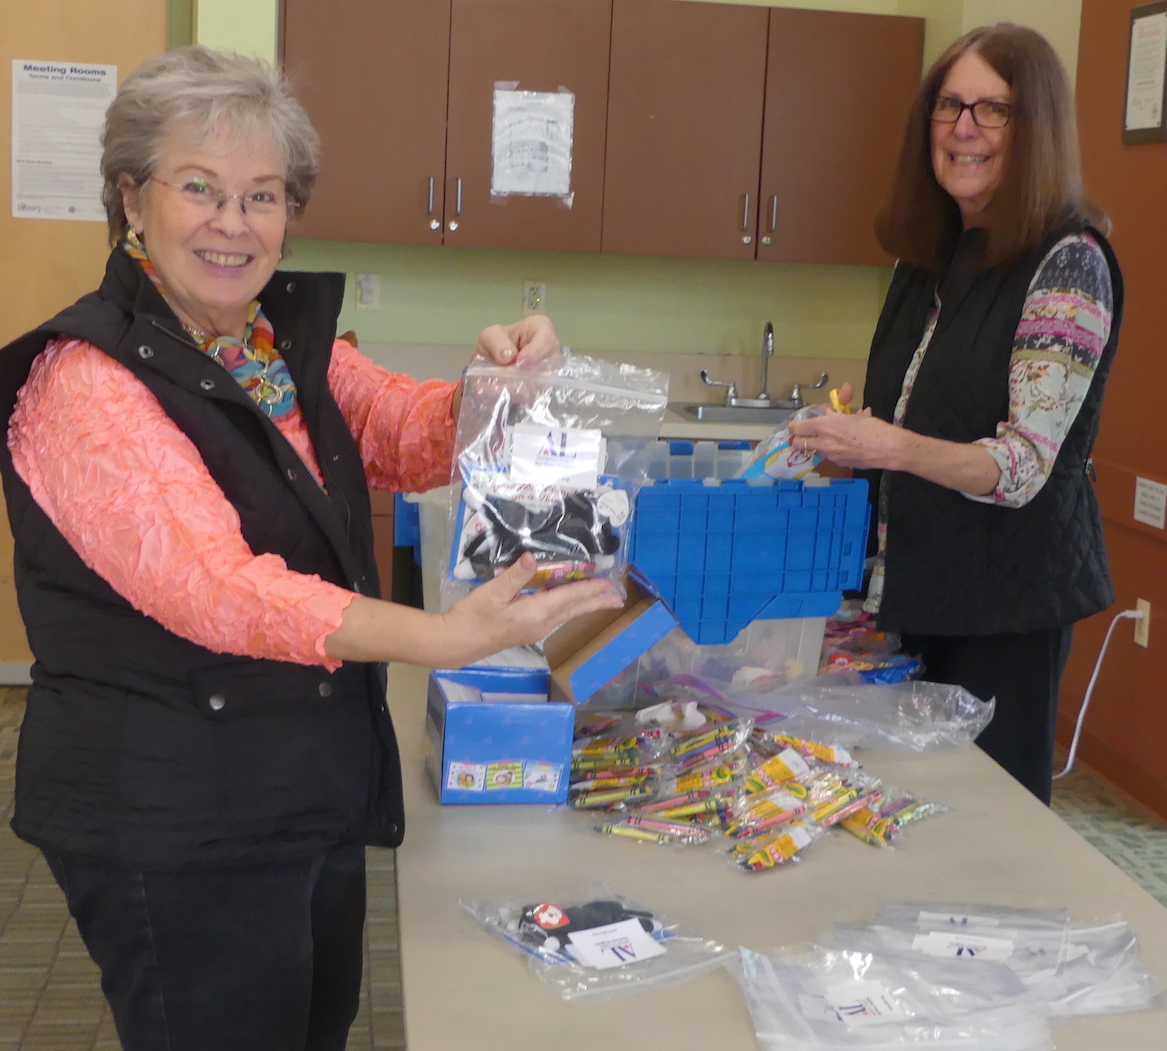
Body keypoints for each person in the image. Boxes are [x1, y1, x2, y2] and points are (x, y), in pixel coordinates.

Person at [0, 46, 622, 1051]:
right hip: (174, 817)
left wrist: (494, 382)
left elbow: (408, 432)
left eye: (263, 195)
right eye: (199, 188)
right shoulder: (84, 379)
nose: (234, 223)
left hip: (296, 787)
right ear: (130, 199)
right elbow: (216, 589)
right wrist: (439, 637)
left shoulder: (278, 343)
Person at [787, 24, 1123, 806]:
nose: (962, 128)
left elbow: (1020, 467)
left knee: (983, 828)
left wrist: (889, 444)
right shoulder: (927, 260)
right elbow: (906, 416)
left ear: (1034, 126)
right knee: (903, 809)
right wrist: (840, 445)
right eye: (948, 105)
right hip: (913, 595)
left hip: (1004, 610)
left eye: (992, 109)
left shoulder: (1067, 263)